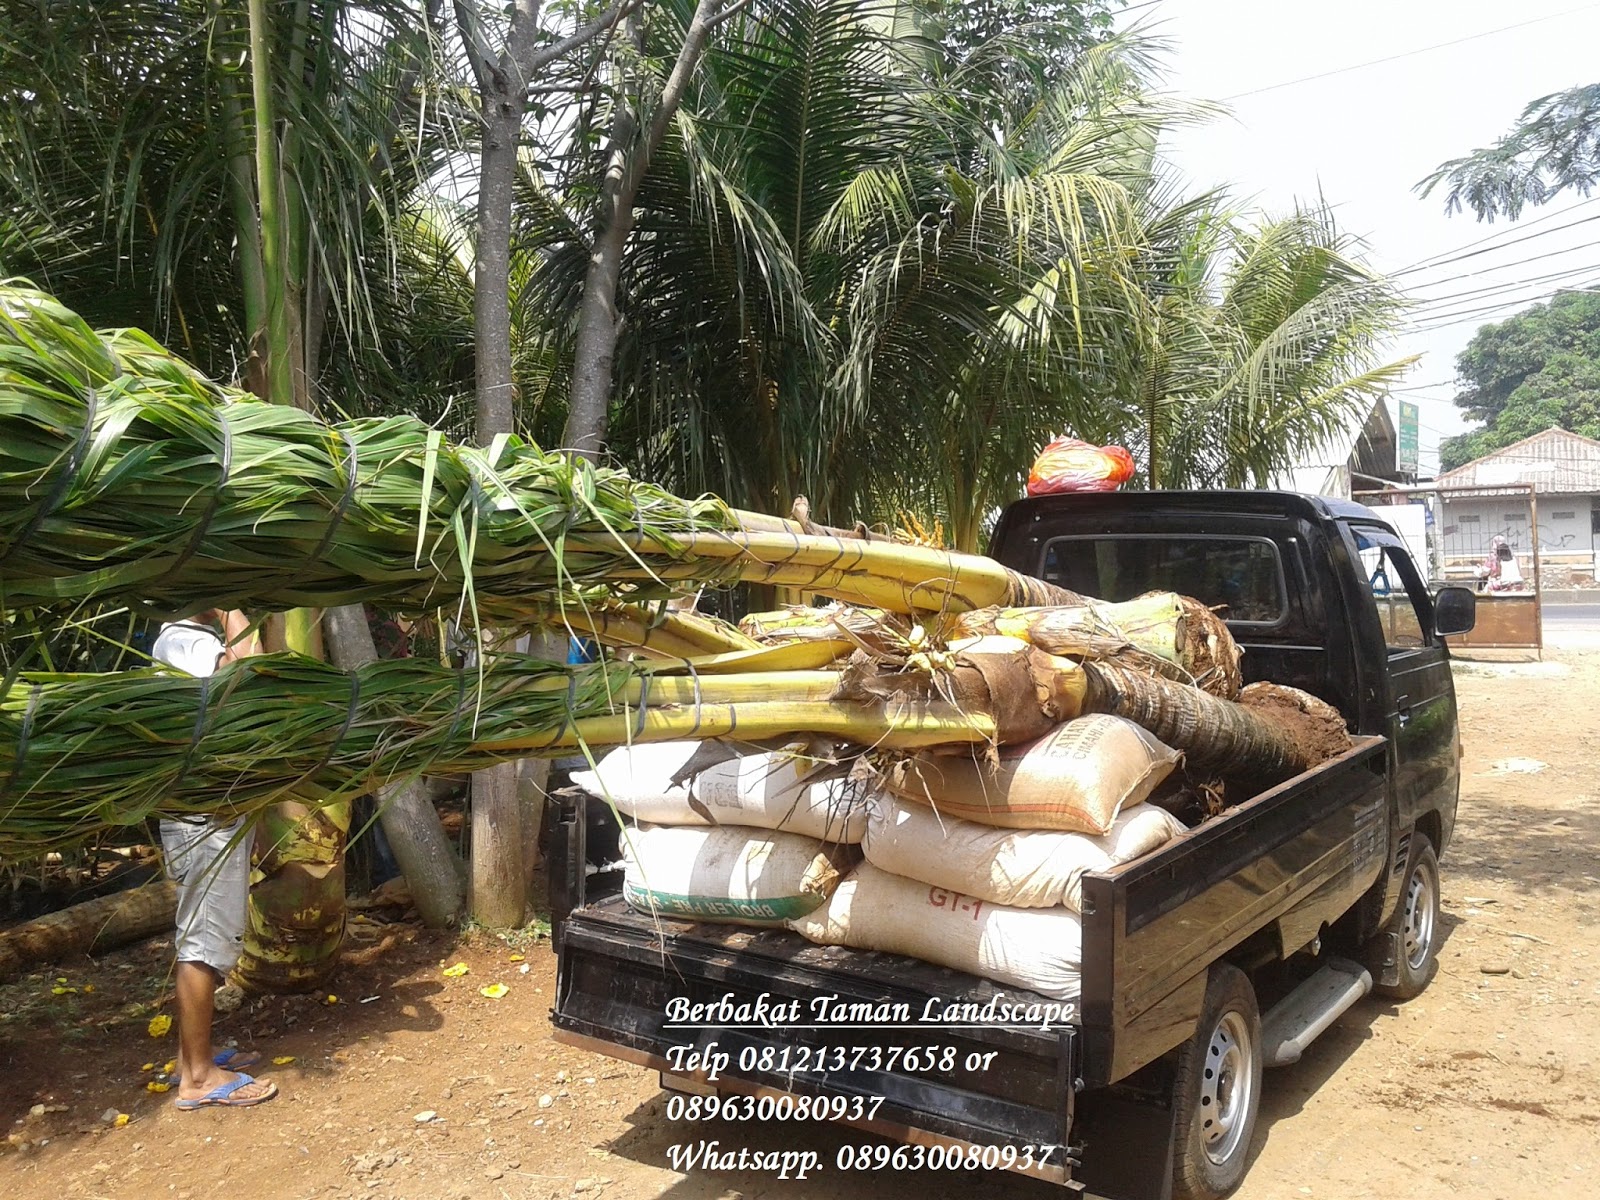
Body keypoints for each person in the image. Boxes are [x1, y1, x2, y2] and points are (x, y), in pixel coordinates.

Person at [153, 608, 279, 1111]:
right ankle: (200, 1078)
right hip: (202, 819)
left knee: (202, 937)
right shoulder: (182, 642)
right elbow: (254, 674)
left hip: (207, 814)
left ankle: (193, 1059)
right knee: (203, 945)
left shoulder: (184, 641)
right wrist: (231, 613)